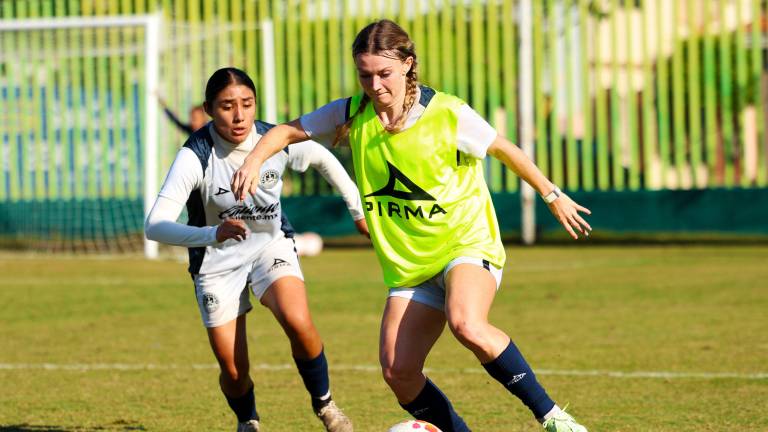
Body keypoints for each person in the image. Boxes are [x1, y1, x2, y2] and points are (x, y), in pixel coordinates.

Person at [230, 20, 592, 432]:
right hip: (410, 265)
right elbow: (285, 132)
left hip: (465, 244)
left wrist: (551, 194)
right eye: (365, 74)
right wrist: (254, 159)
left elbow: (504, 149)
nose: (375, 84)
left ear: (407, 65)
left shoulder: (446, 113)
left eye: (384, 73)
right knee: (397, 372)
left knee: (466, 322)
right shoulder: (352, 113)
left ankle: (553, 418)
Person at [145, 67, 366, 432]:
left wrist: (357, 211)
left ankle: (325, 405)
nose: (239, 115)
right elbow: (155, 225)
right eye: (227, 106)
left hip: (269, 245)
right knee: (233, 370)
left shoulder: (271, 139)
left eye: (247, 104)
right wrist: (213, 233)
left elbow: (324, 158)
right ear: (209, 109)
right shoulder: (196, 154)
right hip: (216, 261)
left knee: (298, 321)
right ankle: (247, 420)